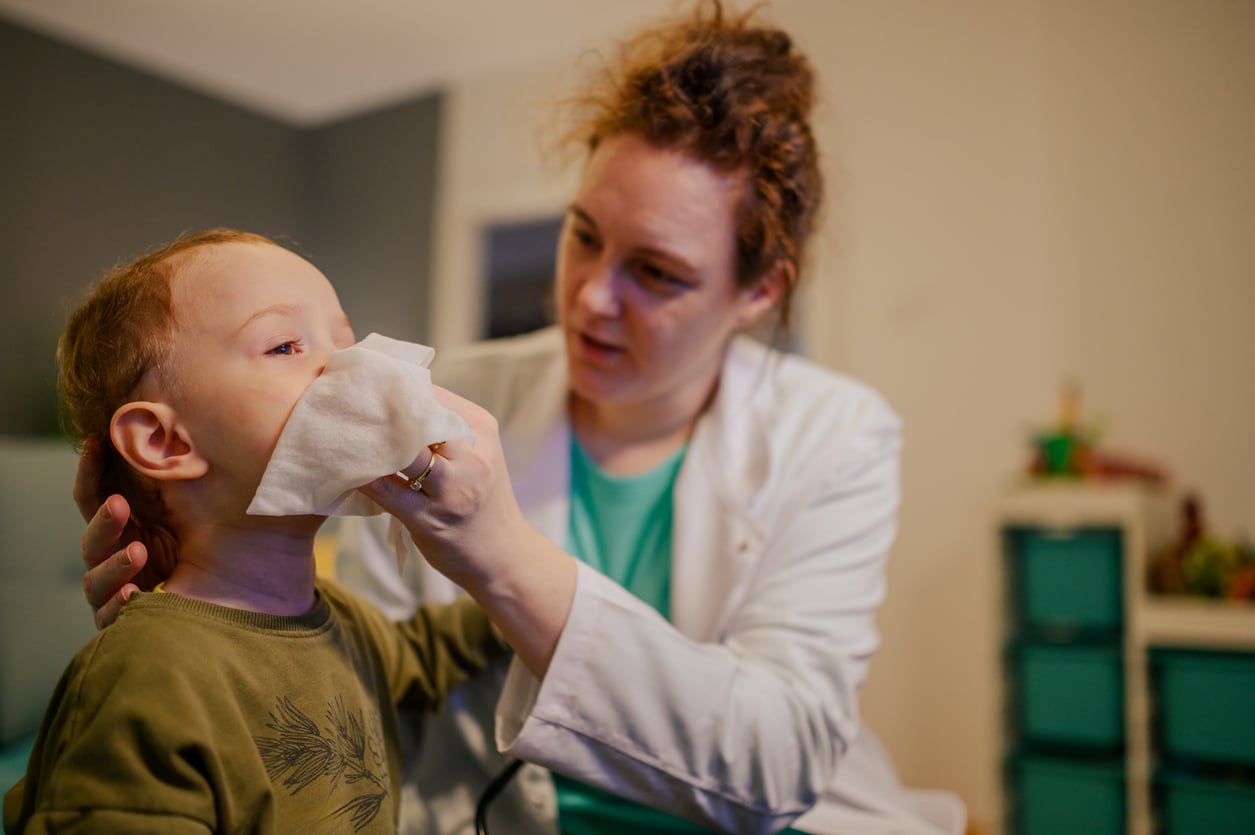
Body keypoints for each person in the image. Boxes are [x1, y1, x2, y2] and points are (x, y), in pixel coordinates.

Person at [79, 3, 965, 834]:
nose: (588, 297)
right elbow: (366, 672)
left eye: (656, 273)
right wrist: (198, 628)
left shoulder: (837, 434)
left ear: (758, 289)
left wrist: (500, 552)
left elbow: (782, 755)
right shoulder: (446, 397)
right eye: (583, 234)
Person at [4, 229, 515, 834]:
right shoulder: (148, 675)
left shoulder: (346, 624)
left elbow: (433, 649)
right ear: (164, 441)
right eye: (285, 346)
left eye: (345, 342)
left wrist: (518, 569)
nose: (353, 367)